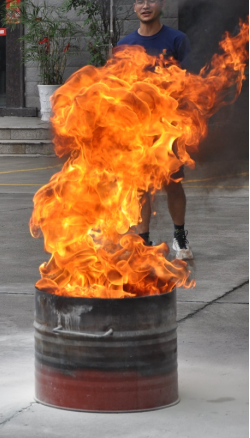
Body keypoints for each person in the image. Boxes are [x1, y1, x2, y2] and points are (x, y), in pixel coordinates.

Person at [118, 0, 193, 260]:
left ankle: (180, 236)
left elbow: (190, 82)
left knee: (172, 183)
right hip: (137, 127)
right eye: (140, 1)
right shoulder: (124, 45)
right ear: (134, 7)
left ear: (160, 4)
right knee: (139, 186)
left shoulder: (177, 39)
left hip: (168, 126)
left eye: (150, 0)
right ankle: (142, 240)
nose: (145, 5)